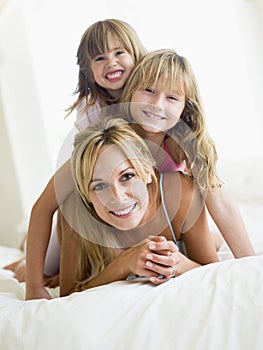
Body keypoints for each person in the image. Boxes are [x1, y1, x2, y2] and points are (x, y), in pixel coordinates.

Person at [23, 19, 147, 300]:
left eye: (119, 52)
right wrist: (33, 286)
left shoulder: (153, 107)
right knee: (46, 264)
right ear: (88, 72)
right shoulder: (94, 123)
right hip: (89, 191)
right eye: (99, 58)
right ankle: (22, 263)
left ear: (136, 54)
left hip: (126, 202)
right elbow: (42, 207)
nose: (111, 62)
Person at [58, 117, 219, 296]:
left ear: (148, 172)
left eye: (127, 176)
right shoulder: (74, 210)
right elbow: (67, 295)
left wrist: (177, 262)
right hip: (57, 241)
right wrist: (125, 263)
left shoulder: (182, 193)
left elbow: (214, 273)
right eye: (99, 186)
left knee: (216, 241)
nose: (118, 197)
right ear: (86, 194)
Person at [120, 48, 255, 258]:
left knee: (209, 230)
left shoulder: (185, 144)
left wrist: (249, 261)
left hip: (175, 228)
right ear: (130, 92)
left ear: (185, 108)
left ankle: (215, 239)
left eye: (171, 98)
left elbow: (219, 201)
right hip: (131, 229)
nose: (157, 105)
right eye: (149, 90)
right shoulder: (117, 140)